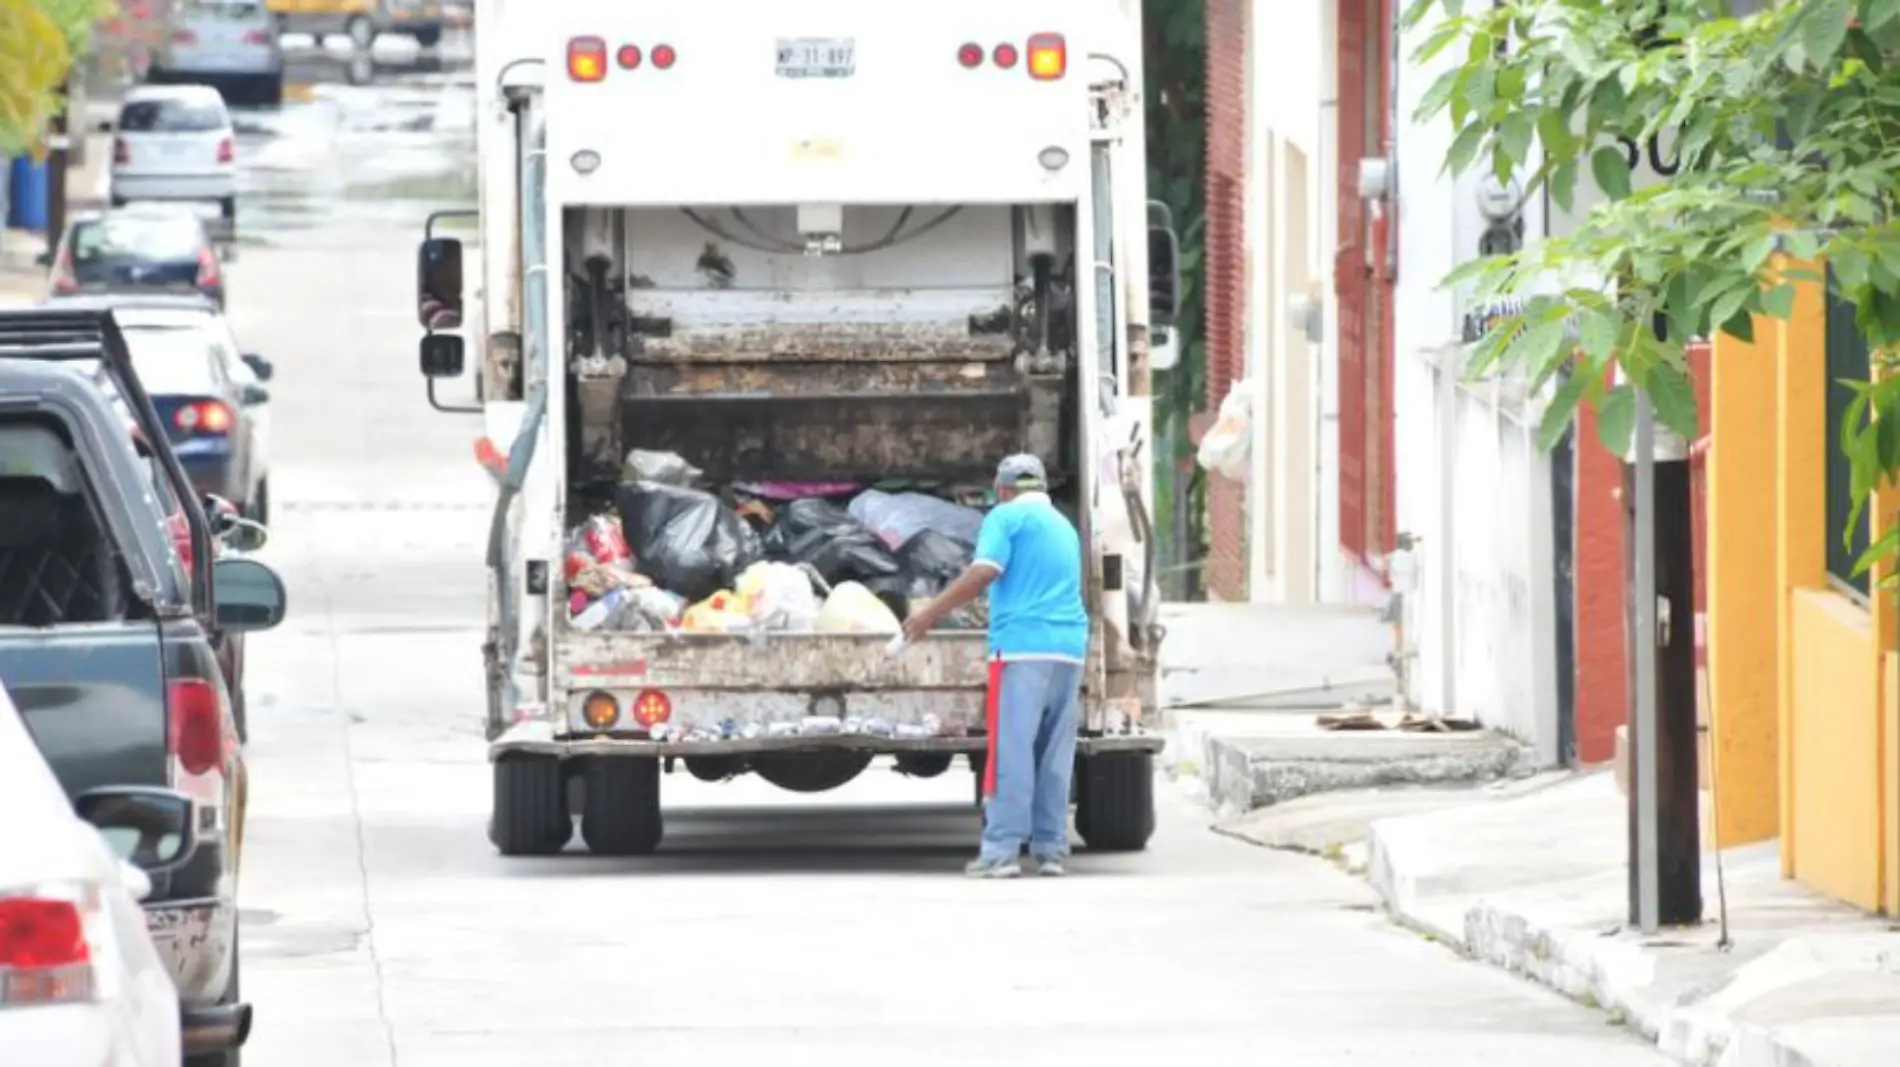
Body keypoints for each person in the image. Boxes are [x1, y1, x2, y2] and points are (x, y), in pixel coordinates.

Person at [900, 453, 1089, 878]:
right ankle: (1051, 849)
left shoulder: (1004, 519)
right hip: (1069, 648)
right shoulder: (1064, 526)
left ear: (1002, 489)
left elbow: (985, 571)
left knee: (1013, 752)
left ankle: (1001, 851)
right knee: (1054, 754)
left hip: (1021, 648)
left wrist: (930, 612)